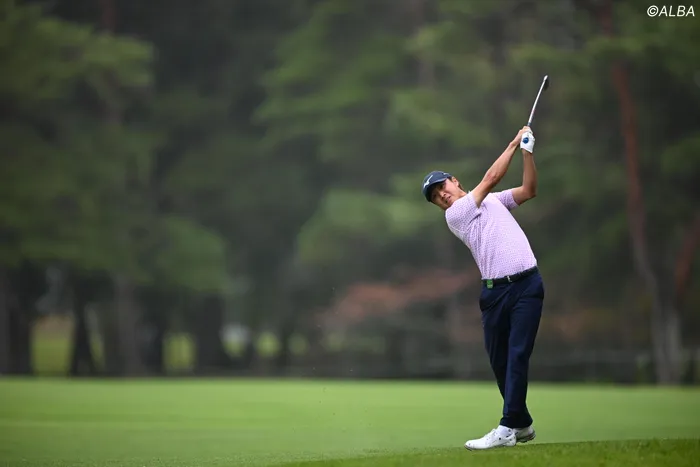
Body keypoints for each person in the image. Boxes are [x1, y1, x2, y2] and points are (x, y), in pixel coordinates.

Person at [421, 126, 544, 451]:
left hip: (527, 285)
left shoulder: (494, 201)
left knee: (517, 355)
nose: (441, 195)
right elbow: (491, 177)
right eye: (435, 197)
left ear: (455, 181)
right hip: (494, 294)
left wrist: (527, 153)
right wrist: (513, 143)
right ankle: (522, 423)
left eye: (442, 187)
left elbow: (529, 190)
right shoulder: (456, 215)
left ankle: (507, 427)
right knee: (500, 361)